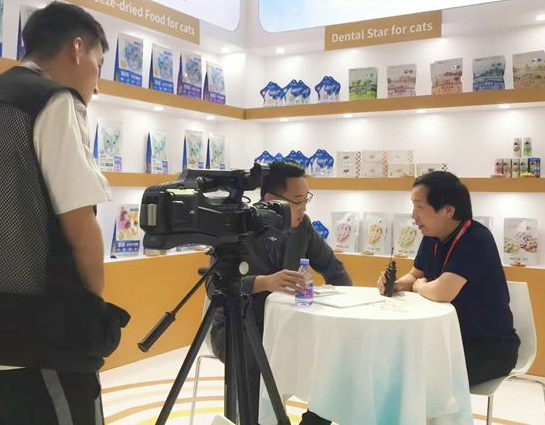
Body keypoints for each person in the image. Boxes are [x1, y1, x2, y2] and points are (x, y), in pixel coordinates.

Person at [0, 2, 129, 424]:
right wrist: (93, 311)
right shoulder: (52, 101)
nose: (97, 85)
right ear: (77, 49)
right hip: (42, 340)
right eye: (98, 64)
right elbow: (80, 226)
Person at [209, 160, 353, 425]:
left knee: (340, 357)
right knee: (254, 360)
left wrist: (348, 311)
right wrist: (263, 282)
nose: (303, 208)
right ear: (269, 200)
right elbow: (214, 285)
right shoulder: (237, 227)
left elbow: (334, 269)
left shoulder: (302, 226)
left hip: (289, 325)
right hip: (238, 327)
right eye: (297, 201)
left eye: (306, 200)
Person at [378, 171, 520, 386]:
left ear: (448, 211)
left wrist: (418, 286)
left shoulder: (476, 238)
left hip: (487, 349)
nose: (414, 215)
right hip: (445, 340)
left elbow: (442, 292)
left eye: (419, 206)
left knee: (411, 377)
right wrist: (396, 284)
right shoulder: (431, 236)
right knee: (385, 362)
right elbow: (416, 275)